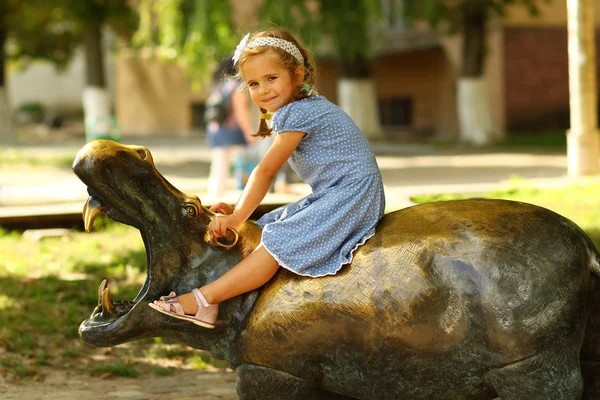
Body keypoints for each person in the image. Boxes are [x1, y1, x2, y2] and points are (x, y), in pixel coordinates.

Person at [149, 28, 386, 328]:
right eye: (253, 83)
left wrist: (236, 218)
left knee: (277, 242)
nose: (263, 90)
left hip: (351, 195)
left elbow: (265, 171)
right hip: (343, 192)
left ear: (297, 75)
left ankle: (204, 300)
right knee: (268, 224)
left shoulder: (299, 113)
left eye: (271, 78)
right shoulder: (304, 106)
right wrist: (238, 210)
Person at [206, 57, 255, 199]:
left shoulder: (219, 85)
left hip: (216, 131)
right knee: (243, 168)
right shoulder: (238, 85)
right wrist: (249, 134)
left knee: (218, 168)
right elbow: (241, 112)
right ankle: (246, 200)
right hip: (233, 132)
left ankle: (214, 201)